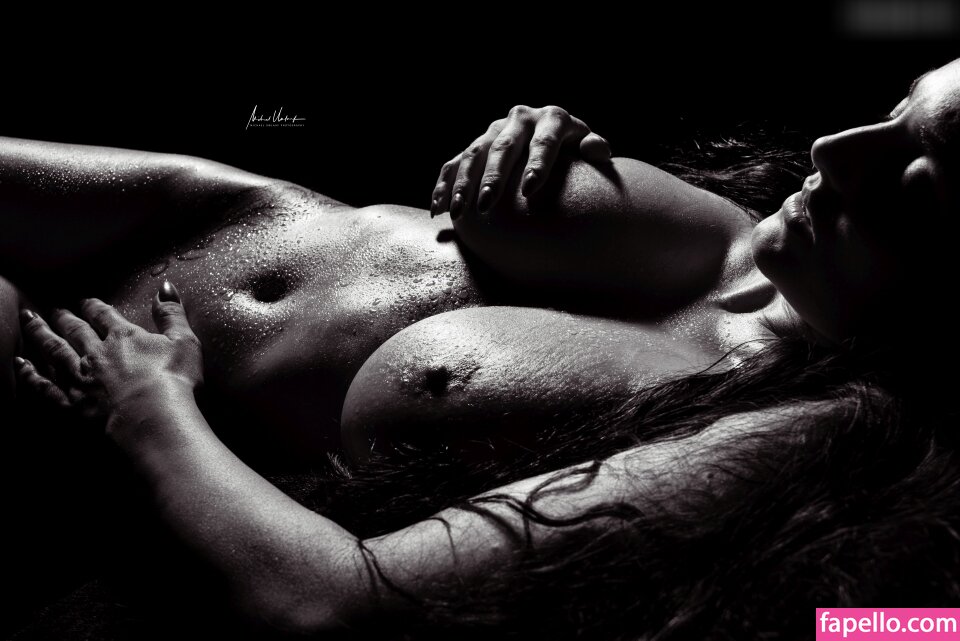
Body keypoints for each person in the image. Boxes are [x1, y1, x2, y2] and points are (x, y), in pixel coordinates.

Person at [10, 57, 960, 639]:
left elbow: (338, 605)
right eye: (891, 106)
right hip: (196, 208)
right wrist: (535, 137)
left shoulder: (793, 440)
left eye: (913, 182)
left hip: (84, 381)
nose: (834, 148)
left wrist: (148, 409)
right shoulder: (772, 231)